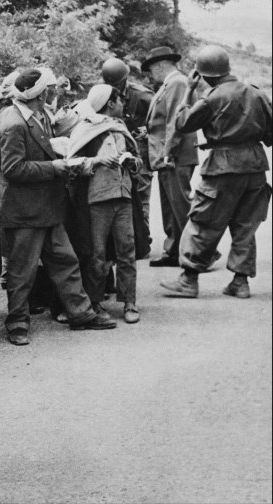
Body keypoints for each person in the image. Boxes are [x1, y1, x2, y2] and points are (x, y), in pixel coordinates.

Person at [0, 68, 117, 345]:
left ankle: (81, 314)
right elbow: (12, 169)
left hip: (46, 208)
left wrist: (56, 150)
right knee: (22, 271)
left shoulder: (36, 115)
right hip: (24, 211)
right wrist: (54, 166)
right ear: (40, 94)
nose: (54, 91)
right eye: (49, 88)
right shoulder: (13, 122)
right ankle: (16, 323)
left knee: (66, 261)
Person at [160, 45, 272, 298]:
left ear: (205, 75)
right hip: (255, 167)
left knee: (203, 222)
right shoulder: (257, 93)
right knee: (246, 226)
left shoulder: (213, 97)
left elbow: (183, 123)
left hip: (222, 168)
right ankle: (240, 282)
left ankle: (188, 280)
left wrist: (189, 89)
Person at [66, 85, 143, 323]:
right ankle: (96, 301)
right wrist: (98, 161)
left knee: (127, 250)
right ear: (110, 103)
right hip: (97, 199)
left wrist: (132, 162)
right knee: (96, 254)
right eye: (120, 100)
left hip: (124, 197)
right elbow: (72, 164)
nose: (123, 104)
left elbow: (138, 160)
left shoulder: (120, 128)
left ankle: (129, 302)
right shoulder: (86, 128)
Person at [142, 47, 199, 267]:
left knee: (180, 205)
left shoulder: (177, 83)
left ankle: (198, 253)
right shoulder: (171, 84)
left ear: (160, 66)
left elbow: (176, 121)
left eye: (151, 70)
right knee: (171, 207)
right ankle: (174, 251)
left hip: (174, 154)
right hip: (167, 154)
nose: (151, 75)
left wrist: (169, 151)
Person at [102, 57, 154, 232]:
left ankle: (143, 238)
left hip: (139, 152)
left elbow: (163, 119)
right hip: (115, 152)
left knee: (141, 196)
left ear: (125, 79)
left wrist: (149, 131)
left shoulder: (142, 96)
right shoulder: (104, 94)